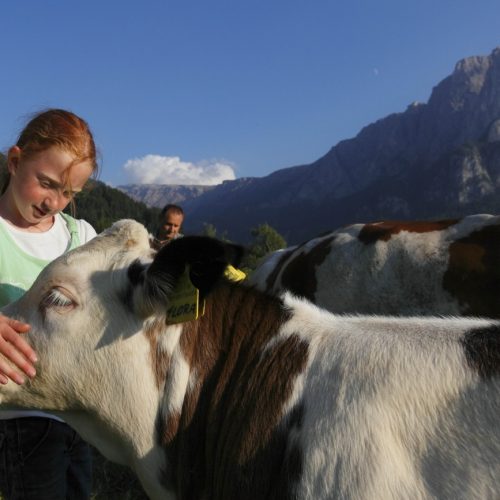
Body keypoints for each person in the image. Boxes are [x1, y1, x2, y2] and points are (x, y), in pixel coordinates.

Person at [0, 108, 99, 500]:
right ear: (14, 161)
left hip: (76, 418)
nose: (55, 202)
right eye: (47, 184)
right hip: (17, 418)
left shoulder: (81, 237)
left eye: (70, 193)